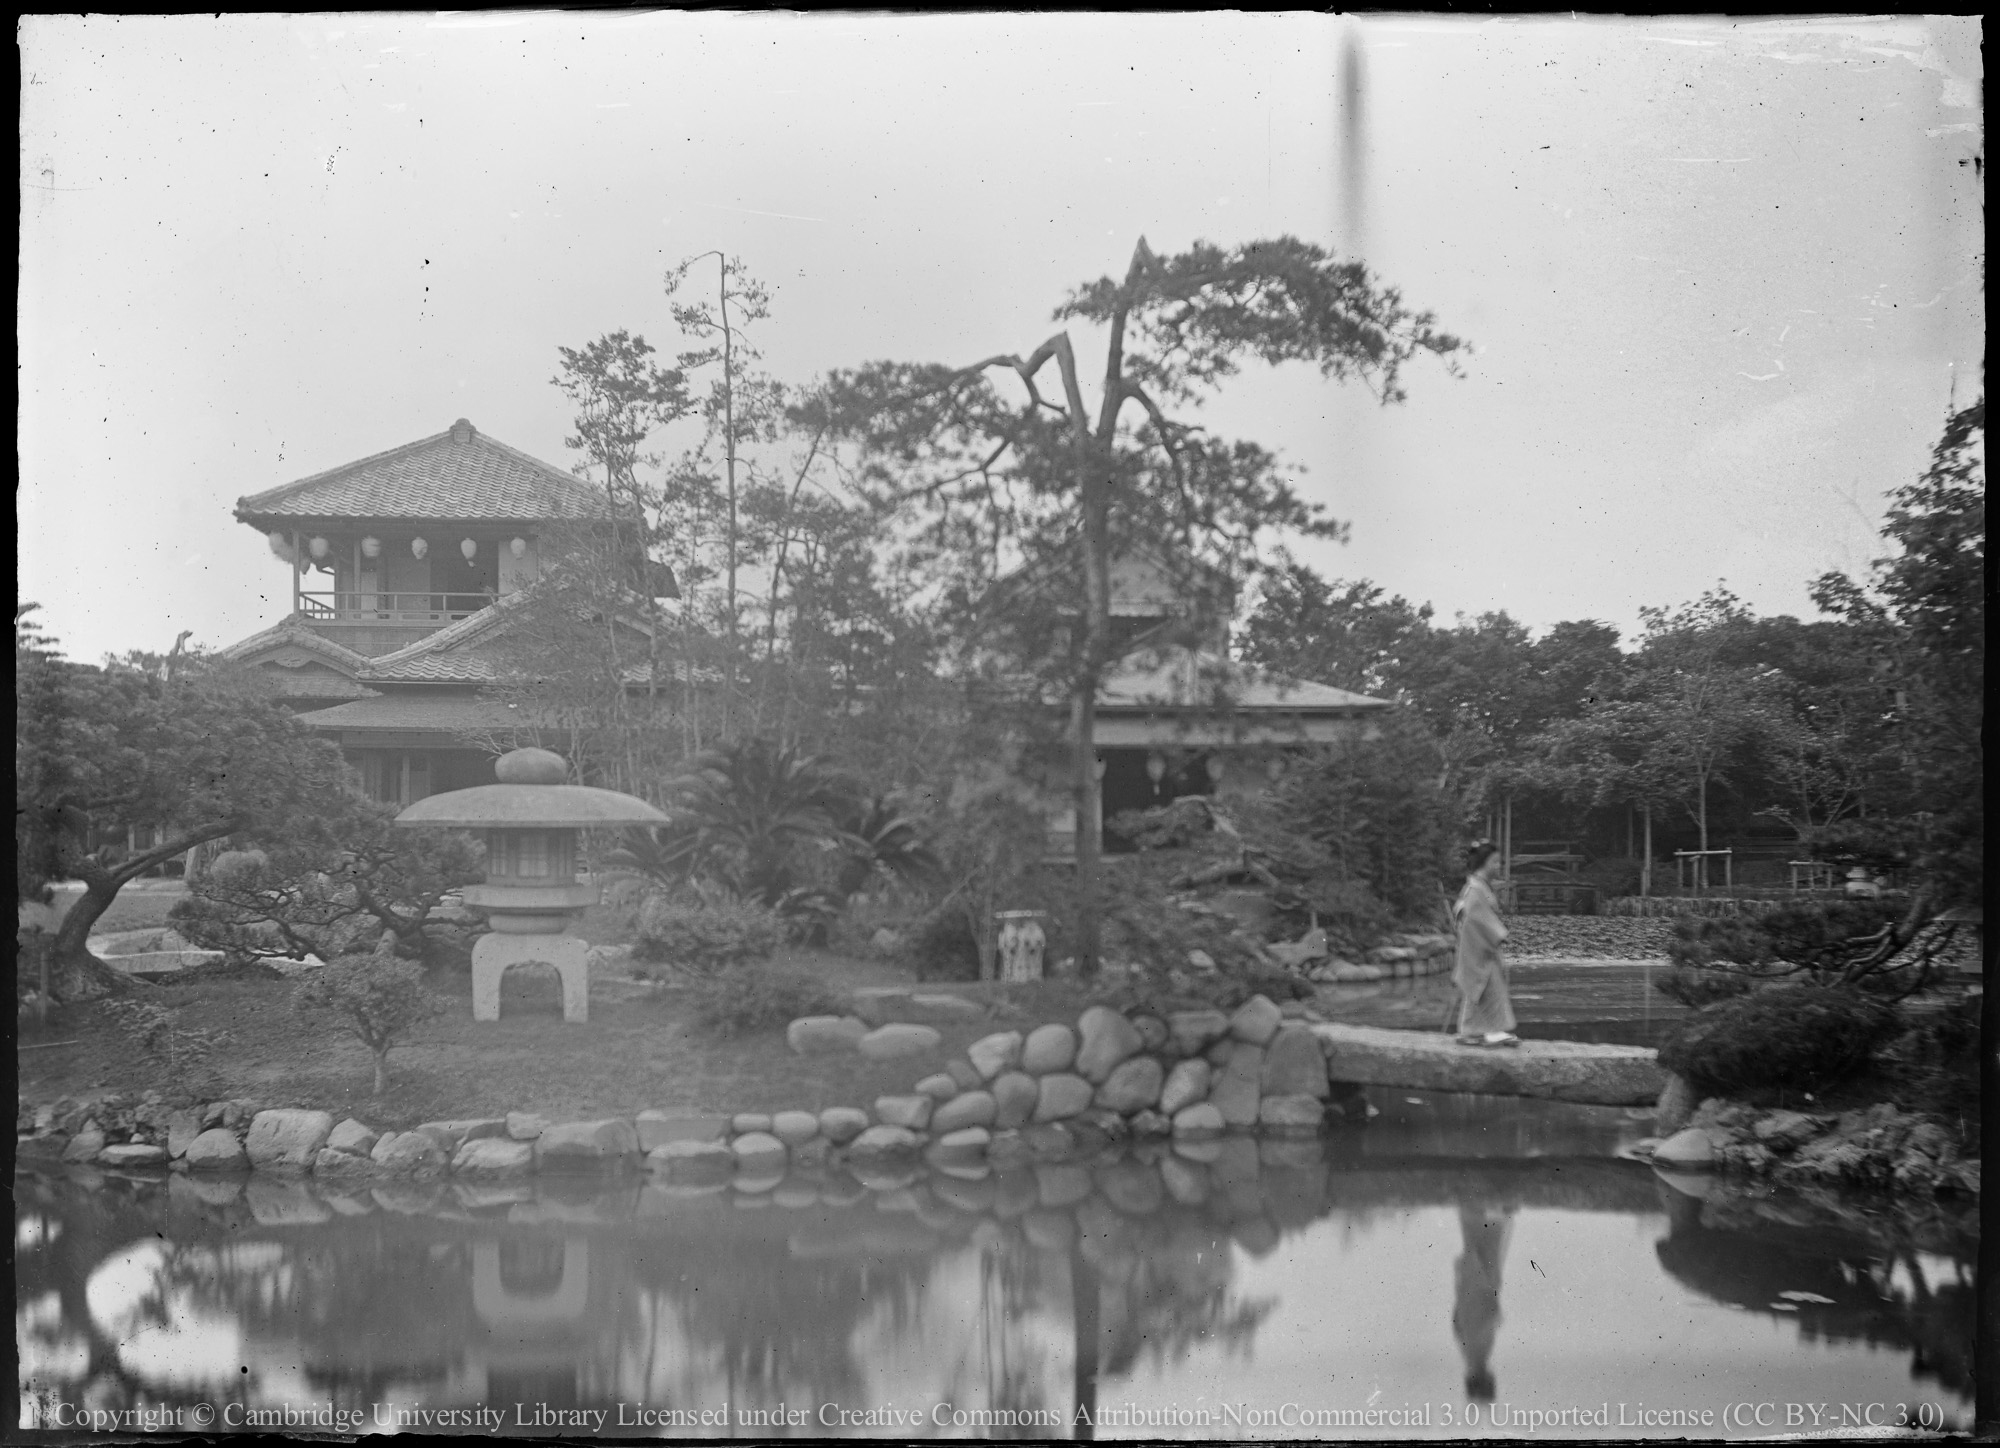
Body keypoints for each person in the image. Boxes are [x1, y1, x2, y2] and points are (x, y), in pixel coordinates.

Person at [1453, 839, 1519, 1047]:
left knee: (1483, 988)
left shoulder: (1478, 886)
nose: (1499, 866)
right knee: (1486, 986)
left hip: (1480, 946)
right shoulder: (1475, 889)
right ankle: (1486, 1030)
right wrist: (1496, 933)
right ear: (1485, 863)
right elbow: (1473, 916)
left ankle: (1475, 1031)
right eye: (1496, 862)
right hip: (1479, 947)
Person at [1452, 1198, 1515, 1404]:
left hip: (1480, 1287)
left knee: (1483, 1242)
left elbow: (1480, 1322)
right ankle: (1481, 1204)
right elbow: (1457, 1323)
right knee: (1482, 1242)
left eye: (1487, 1381)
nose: (1491, 1376)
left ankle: (1480, 1202)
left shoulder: (1475, 1356)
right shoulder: (1472, 1356)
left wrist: (1495, 1316)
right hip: (1478, 1288)